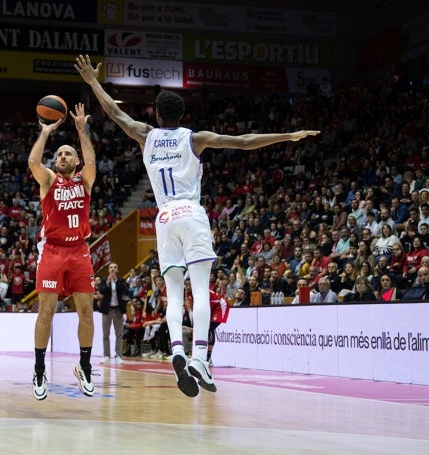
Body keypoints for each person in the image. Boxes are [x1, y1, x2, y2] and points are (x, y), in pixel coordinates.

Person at [76, 54, 319, 397]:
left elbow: (115, 113)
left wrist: (92, 82)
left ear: (158, 115)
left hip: (162, 218)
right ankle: (200, 357)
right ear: (181, 115)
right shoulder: (195, 138)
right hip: (190, 212)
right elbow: (244, 142)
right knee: (201, 290)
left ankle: (176, 349)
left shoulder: (145, 134)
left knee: (174, 293)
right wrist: (289, 136)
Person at [28, 102, 97, 401]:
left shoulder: (85, 180)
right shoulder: (49, 180)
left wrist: (82, 131)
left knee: (86, 313)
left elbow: (92, 161)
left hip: (79, 250)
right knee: (46, 312)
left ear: (75, 159)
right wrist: (44, 133)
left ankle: (84, 366)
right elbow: (33, 162)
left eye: (67, 153)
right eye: (58, 155)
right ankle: (40, 369)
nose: (62, 157)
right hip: (53, 251)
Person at [97, 262, 129, 365]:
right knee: (106, 334)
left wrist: (115, 281)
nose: (113, 269)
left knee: (119, 334)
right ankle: (106, 355)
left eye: (115, 267)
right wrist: (107, 282)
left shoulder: (121, 280)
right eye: (111, 267)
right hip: (107, 310)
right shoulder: (104, 280)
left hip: (118, 310)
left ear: (117, 270)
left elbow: (125, 289)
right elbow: (101, 291)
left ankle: (118, 355)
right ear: (108, 270)